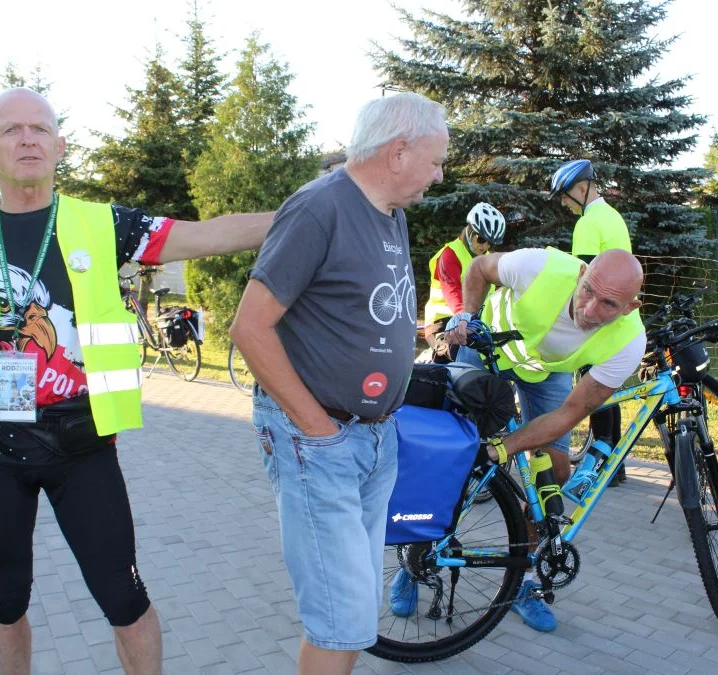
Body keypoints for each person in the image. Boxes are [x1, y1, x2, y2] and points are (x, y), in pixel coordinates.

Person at [0, 87, 274, 675]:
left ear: (60, 145)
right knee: (4, 599)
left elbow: (211, 233)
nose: (26, 139)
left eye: (39, 129)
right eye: (11, 130)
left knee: (125, 598)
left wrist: (321, 208)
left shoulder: (101, 224)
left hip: (83, 447)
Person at [230, 92, 448, 675]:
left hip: (374, 439)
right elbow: (250, 328)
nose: (439, 173)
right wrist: (318, 429)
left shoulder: (392, 214)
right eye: (435, 159)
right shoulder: (320, 207)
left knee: (353, 609)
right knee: (341, 614)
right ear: (399, 151)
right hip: (322, 440)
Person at [439, 247, 646, 634]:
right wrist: (466, 314)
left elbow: (569, 413)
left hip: (545, 372)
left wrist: (501, 448)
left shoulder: (629, 343)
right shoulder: (541, 267)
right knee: (451, 461)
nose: (589, 309)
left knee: (553, 473)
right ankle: (417, 562)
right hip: (487, 350)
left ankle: (522, 578)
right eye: (587, 291)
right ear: (581, 272)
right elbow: (480, 267)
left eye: (608, 304)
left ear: (631, 307)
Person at [550, 158, 633, 485]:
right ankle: (615, 464)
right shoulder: (613, 217)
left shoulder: (587, 223)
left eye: (565, 194)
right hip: (619, 317)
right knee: (607, 389)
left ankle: (603, 466)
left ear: (582, 188)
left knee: (593, 391)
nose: (562, 202)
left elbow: (584, 280)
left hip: (599, 318)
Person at [422, 202, 506, 362]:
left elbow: (495, 293)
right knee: (459, 360)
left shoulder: (487, 258)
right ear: (469, 230)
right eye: (481, 239)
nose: (485, 246)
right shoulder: (450, 254)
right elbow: (452, 292)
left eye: (490, 243)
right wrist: (466, 318)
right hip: (442, 322)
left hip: (474, 323)